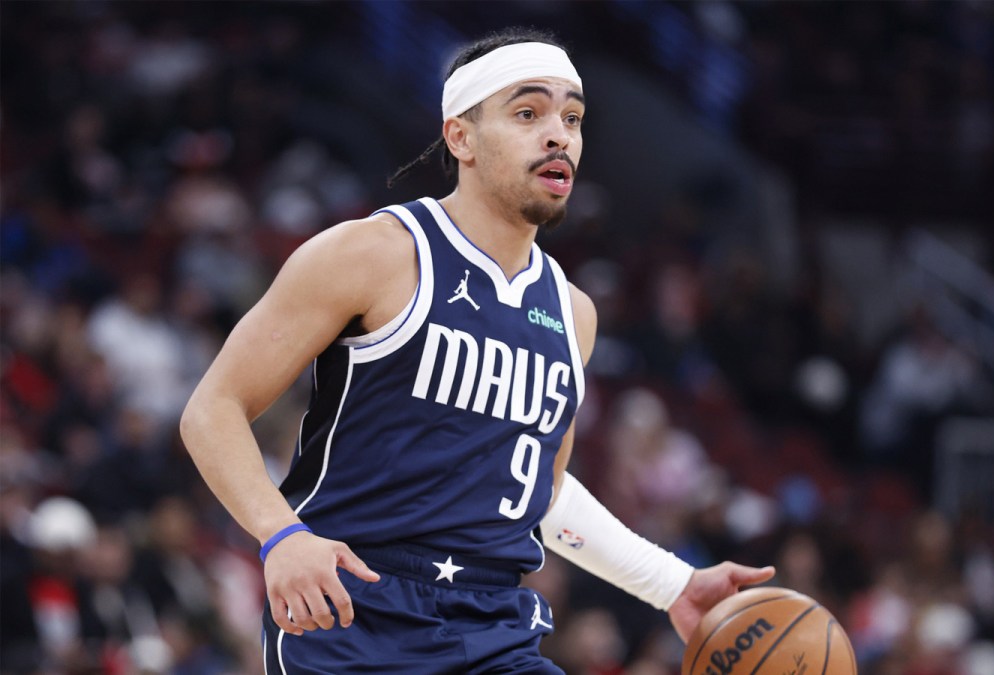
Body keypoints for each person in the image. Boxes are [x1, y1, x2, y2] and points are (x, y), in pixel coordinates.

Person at [179, 27, 773, 673]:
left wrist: (671, 582)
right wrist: (281, 533)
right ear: (460, 137)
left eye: (572, 117)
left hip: (494, 623)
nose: (559, 135)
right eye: (528, 112)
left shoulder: (573, 313)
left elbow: (538, 490)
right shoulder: (373, 253)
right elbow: (213, 407)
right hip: (356, 613)